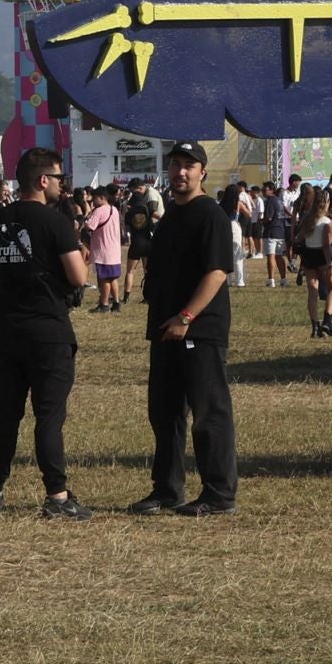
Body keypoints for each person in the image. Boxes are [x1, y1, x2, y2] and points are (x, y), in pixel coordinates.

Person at [0, 147, 89, 519]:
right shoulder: (54, 222)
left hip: (6, 327)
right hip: (47, 330)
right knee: (49, 416)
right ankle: (57, 496)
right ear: (42, 180)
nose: (61, 185)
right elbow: (78, 277)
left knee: (5, 414)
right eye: (57, 178)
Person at [129, 141, 238, 517]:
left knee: (209, 412)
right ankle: (167, 488)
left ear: (202, 172)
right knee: (165, 412)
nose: (181, 172)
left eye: (189, 166)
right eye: (175, 165)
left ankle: (219, 493)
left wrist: (186, 317)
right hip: (164, 327)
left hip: (199, 329)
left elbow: (218, 272)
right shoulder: (172, 215)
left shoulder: (210, 215)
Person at [298, 187, 332, 338]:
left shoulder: (307, 219)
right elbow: (326, 245)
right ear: (326, 203)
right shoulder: (326, 221)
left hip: (308, 254)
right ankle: (327, 320)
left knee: (312, 292)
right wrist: (329, 262)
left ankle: (314, 326)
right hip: (321, 255)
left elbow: (299, 238)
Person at [85, 183, 124, 313]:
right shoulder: (114, 209)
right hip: (114, 250)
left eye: (94, 198)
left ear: (101, 198)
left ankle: (104, 304)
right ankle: (117, 302)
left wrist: (86, 219)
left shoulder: (99, 210)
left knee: (104, 279)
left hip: (103, 250)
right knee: (112, 278)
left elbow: (90, 226)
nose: (93, 201)